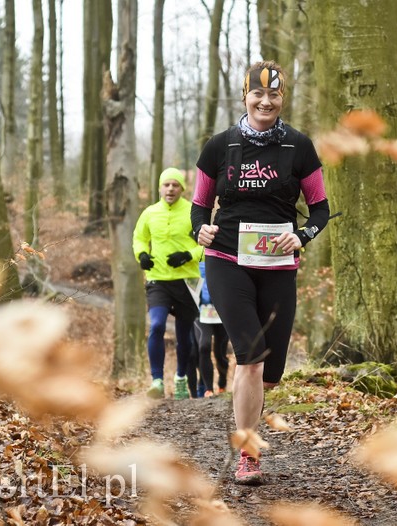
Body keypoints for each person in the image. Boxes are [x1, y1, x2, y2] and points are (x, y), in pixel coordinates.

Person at [191, 61, 330, 485]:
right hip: (227, 259)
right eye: (258, 94)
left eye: (274, 95)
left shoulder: (298, 146)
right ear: (245, 96)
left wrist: (301, 236)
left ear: (282, 98)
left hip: (276, 265)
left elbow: (320, 210)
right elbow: (199, 207)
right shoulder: (219, 146)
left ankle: (249, 406)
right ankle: (248, 454)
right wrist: (200, 230)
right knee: (250, 358)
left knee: (270, 371)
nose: (265, 102)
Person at [133, 167, 205, 400]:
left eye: (175, 185)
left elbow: (206, 245)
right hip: (158, 279)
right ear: (160, 188)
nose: (171, 189)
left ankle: (181, 377)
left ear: (182, 188)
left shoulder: (193, 212)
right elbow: (139, 239)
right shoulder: (150, 213)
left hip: (187, 281)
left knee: (184, 336)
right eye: (167, 185)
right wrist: (142, 255)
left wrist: (188, 255)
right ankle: (157, 380)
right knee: (156, 325)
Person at [194, 259, 230, 397]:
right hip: (201, 312)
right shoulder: (195, 256)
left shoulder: (223, 256)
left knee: (220, 353)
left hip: (222, 312)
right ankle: (208, 389)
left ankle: (222, 383)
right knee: (204, 346)